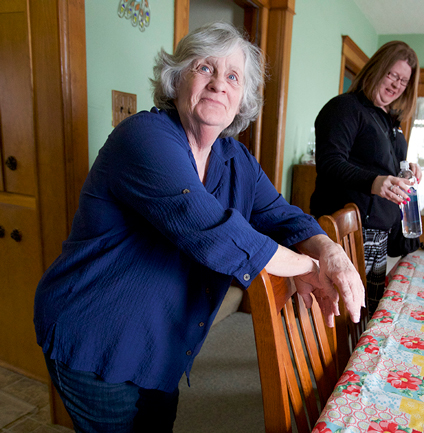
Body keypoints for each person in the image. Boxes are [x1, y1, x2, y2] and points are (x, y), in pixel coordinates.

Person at [33, 22, 363, 432]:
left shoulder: (235, 159)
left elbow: (285, 216)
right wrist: (309, 267)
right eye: (205, 68)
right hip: (97, 336)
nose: (218, 84)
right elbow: (212, 230)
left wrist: (329, 251)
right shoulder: (143, 137)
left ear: (243, 97)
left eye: (233, 76)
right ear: (177, 78)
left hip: (163, 345)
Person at [310, 41, 421, 313]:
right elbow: (329, 162)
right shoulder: (345, 108)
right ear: (376, 69)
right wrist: (375, 182)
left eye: (404, 81)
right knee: (342, 312)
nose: (396, 85)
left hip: (377, 233)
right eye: (392, 75)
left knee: (366, 312)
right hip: (348, 232)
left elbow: (380, 165)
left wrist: (406, 170)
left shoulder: (389, 121)